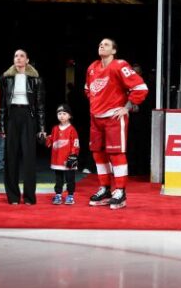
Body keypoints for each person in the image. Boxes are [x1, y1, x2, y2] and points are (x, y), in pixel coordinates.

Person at [84, 38, 148, 210]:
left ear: (114, 51)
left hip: (113, 117)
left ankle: (120, 192)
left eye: (105, 44)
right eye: (100, 44)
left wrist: (126, 107)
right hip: (96, 118)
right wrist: (95, 105)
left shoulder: (120, 65)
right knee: (98, 153)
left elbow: (141, 88)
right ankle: (105, 189)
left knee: (116, 153)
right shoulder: (92, 67)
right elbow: (88, 89)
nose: (101, 46)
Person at [0, 49, 46, 205]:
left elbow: (40, 106)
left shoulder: (36, 79)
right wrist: (2, 127)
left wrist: (41, 128)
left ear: (27, 60)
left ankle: (29, 197)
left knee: (29, 158)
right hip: (12, 117)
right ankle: (13, 196)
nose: (18, 58)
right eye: (16, 56)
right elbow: (2, 106)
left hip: (28, 117)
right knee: (11, 158)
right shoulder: (6, 79)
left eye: (21, 56)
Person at [46, 103, 80, 205]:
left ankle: (70, 196)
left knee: (70, 179)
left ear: (69, 116)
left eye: (64, 113)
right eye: (59, 113)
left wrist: (73, 155)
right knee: (58, 179)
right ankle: (58, 195)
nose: (61, 115)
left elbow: (75, 143)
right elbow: (50, 142)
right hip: (57, 160)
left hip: (68, 160)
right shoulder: (55, 128)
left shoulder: (72, 130)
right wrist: (45, 138)